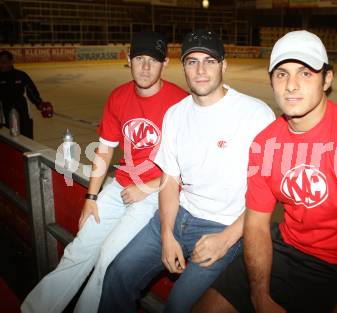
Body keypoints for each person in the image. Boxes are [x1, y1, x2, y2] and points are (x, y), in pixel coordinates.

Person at [193, 30, 337, 313]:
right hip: (287, 250)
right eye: (281, 74)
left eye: (306, 73)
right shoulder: (265, 143)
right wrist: (260, 297)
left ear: (328, 79)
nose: (291, 85)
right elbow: (257, 225)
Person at [97, 30, 275, 313]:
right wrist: (167, 234)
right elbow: (169, 182)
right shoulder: (176, 114)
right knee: (117, 274)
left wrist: (226, 239)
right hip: (176, 216)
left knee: (179, 306)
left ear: (224, 66)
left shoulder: (255, 115)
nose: (201, 70)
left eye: (210, 61)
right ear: (183, 67)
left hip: (224, 226)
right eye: (192, 61)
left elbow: (267, 195)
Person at [21, 31, 188, 313]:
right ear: (128, 60)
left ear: (165, 63)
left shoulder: (181, 103)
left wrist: (146, 187)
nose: (145, 66)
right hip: (121, 185)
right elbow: (105, 150)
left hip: (159, 192)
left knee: (108, 259)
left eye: (153, 60)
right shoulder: (119, 97)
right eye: (139, 58)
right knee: (78, 250)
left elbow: (190, 165)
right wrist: (91, 196)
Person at [0, 50, 53, 138]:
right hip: (4, 117)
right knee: (8, 142)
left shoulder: (21, 75)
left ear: (11, 62)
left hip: (24, 114)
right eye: (0, 62)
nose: (1, 65)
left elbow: (31, 91)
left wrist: (40, 104)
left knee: (27, 140)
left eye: (4, 62)